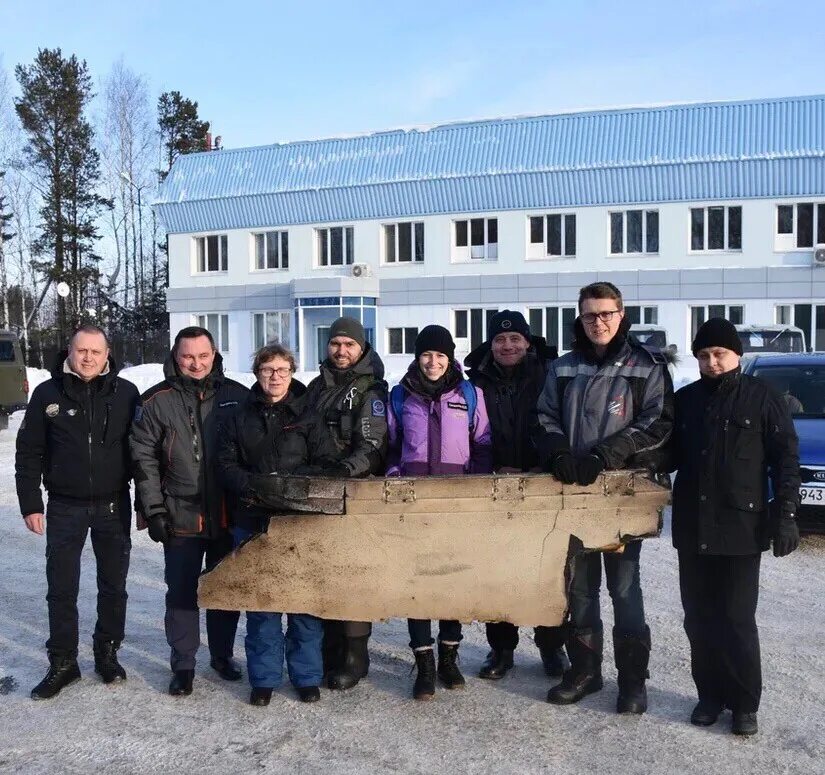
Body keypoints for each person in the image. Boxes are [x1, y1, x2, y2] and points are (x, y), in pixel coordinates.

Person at [535, 282, 673, 714]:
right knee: (580, 589)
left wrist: (606, 453)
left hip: (620, 492)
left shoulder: (646, 366)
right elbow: (544, 415)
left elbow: (659, 422)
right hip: (574, 491)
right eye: (591, 315)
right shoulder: (562, 367)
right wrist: (558, 451)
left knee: (625, 588)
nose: (599, 322)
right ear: (580, 318)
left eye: (607, 314)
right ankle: (586, 672)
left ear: (621, 314)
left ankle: (632, 681)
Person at [668, 318, 800, 736]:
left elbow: (786, 460)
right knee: (699, 618)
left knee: (737, 619)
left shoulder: (763, 398)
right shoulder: (685, 400)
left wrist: (786, 515)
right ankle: (710, 695)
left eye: (720, 354)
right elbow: (666, 454)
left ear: (736, 355)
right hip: (693, 528)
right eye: (704, 356)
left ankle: (744, 703)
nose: (713, 362)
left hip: (741, 529)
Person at [15, 325, 139, 700]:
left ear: (107, 354)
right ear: (69, 351)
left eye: (95, 351)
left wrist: (148, 503)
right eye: (81, 350)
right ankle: (64, 661)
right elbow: (29, 451)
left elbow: (141, 452)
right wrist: (31, 503)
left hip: (114, 504)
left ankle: (107, 652)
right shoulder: (47, 394)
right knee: (61, 587)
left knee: (113, 586)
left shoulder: (126, 394)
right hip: (65, 506)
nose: (88, 357)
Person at [217, 344, 339, 707]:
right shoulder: (239, 415)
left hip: (299, 521)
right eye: (268, 369)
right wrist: (253, 486)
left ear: (292, 373)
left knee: (303, 605)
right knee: (262, 605)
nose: (275, 377)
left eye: (283, 370)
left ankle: (305, 676)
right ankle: (264, 678)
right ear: (257, 373)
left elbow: (327, 462)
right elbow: (225, 463)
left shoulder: (309, 415)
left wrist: (293, 485)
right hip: (253, 520)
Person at [130, 326, 249, 696]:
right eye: (187, 356)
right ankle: (183, 664)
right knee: (181, 592)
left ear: (214, 355)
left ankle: (222, 655)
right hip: (179, 515)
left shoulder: (238, 397)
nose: (196, 364)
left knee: (223, 588)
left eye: (203, 356)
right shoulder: (155, 401)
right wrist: (154, 510)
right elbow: (143, 459)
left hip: (228, 514)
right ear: (175, 357)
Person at [387, 325, 493, 700]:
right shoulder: (400, 396)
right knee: (418, 582)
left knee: (451, 580)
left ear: (450, 358)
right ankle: (425, 663)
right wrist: (393, 475)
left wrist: (477, 487)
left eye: (440, 356)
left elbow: (482, 442)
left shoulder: (469, 394)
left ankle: (450, 656)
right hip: (414, 502)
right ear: (417, 357)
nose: (433, 363)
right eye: (426, 355)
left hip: (456, 501)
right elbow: (391, 445)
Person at [464, 310, 569, 681]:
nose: (507, 345)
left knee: (547, 569)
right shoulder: (476, 381)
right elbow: (472, 433)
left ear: (527, 342)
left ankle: (552, 646)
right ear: (490, 345)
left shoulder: (550, 374)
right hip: (494, 488)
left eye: (515, 339)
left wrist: (540, 468)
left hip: (541, 484)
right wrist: (493, 470)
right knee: (498, 571)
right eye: (499, 340)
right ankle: (501, 649)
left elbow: (557, 423)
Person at [303, 317, 388, 690]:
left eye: (348, 345)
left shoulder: (370, 391)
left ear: (361, 348)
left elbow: (373, 447)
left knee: (353, 576)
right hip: (316, 493)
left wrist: (342, 472)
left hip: (353, 493)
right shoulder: (316, 386)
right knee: (323, 573)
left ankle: (355, 656)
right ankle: (329, 648)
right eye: (335, 343)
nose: (341, 351)